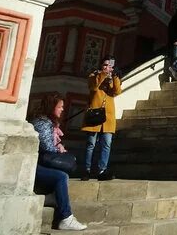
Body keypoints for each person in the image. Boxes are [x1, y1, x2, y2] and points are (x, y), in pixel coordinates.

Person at [31, 94, 87, 231]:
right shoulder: (42, 123)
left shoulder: (48, 123)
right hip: (35, 165)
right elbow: (47, 147)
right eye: (60, 107)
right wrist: (59, 149)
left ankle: (53, 198)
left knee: (61, 172)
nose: (62, 109)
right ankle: (66, 218)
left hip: (41, 162)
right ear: (51, 108)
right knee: (61, 176)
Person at [81, 55, 122, 180]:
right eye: (105, 65)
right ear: (101, 66)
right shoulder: (94, 76)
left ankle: (102, 170)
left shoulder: (112, 78)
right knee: (91, 144)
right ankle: (86, 170)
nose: (107, 68)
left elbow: (117, 92)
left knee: (106, 144)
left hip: (108, 116)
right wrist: (103, 74)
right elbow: (93, 87)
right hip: (95, 114)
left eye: (109, 66)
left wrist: (114, 77)